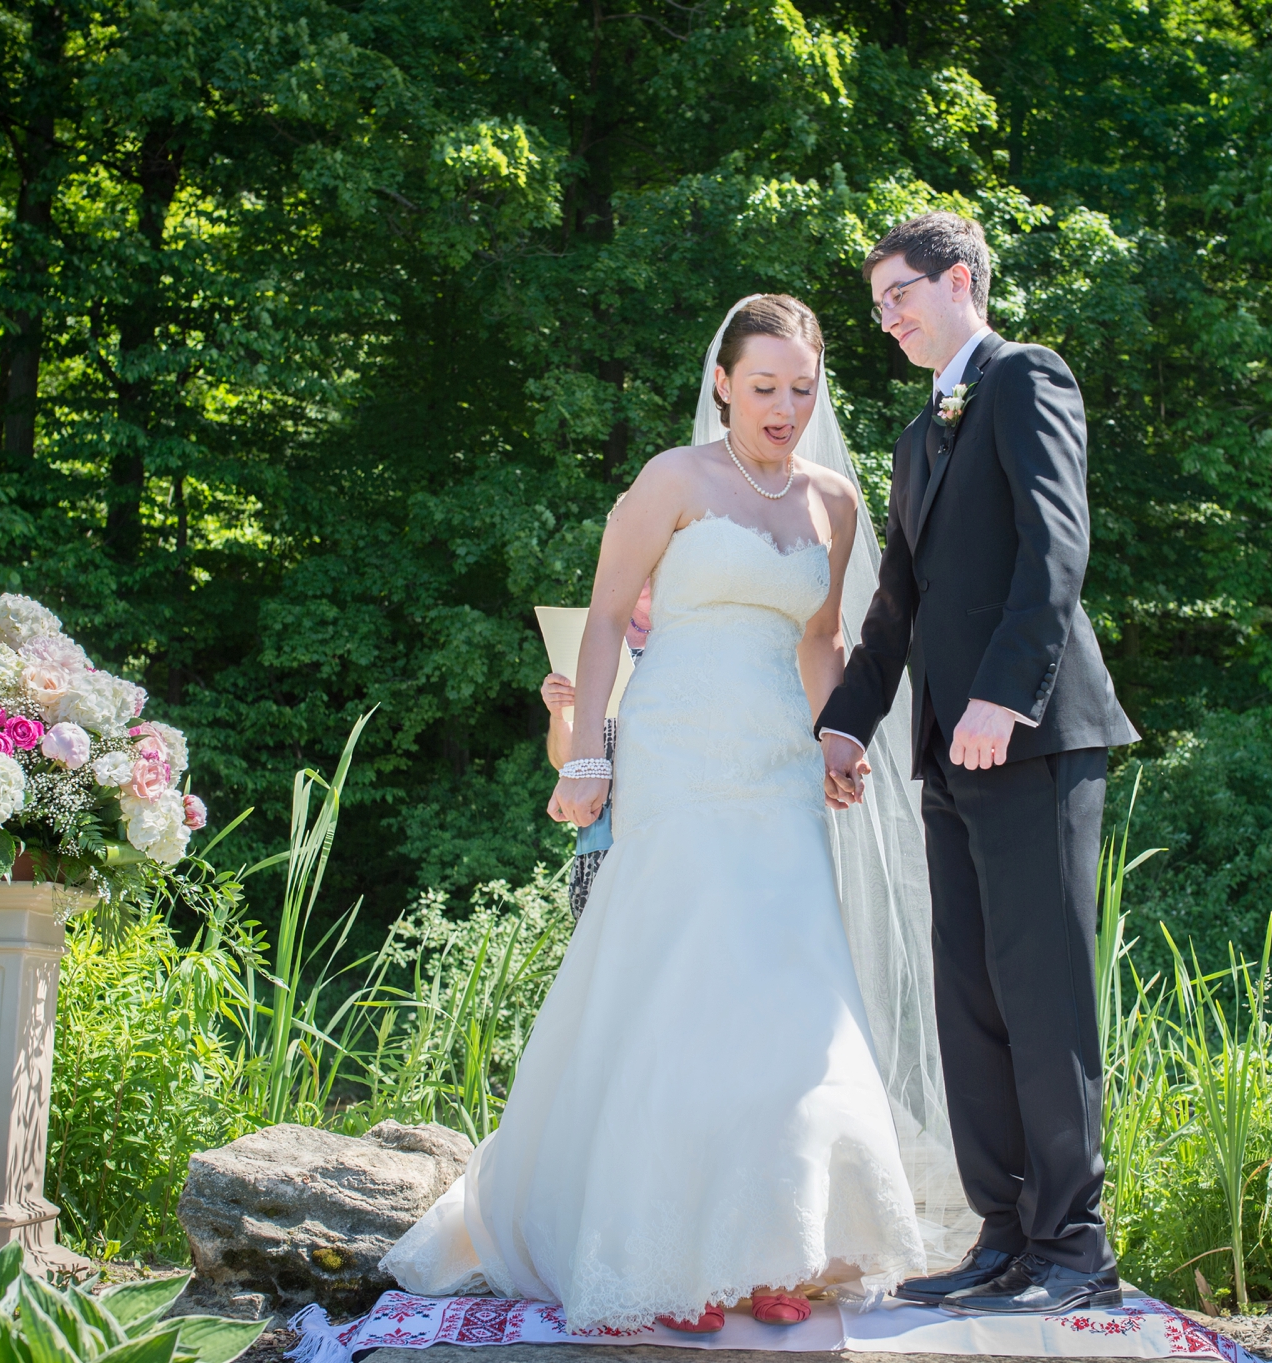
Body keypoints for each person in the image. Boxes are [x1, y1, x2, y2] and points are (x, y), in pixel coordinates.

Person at [383, 295, 927, 1333]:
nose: (783, 406)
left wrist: (837, 738)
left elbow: (819, 642)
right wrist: (587, 753)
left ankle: (772, 1244)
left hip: (777, 769)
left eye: (802, 388)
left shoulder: (832, 502)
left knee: (788, 1003)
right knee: (688, 989)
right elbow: (599, 618)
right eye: (763, 386)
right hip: (678, 760)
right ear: (722, 382)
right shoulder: (670, 481)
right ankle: (660, 1254)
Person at [817, 211, 1141, 1315]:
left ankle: (1073, 1247)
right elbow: (896, 602)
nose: (885, 318)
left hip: (1036, 737)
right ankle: (1003, 1233)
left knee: (1042, 994)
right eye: (874, 304)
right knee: (973, 1000)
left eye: (897, 294)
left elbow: (1056, 543)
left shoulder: (1023, 377)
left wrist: (1004, 693)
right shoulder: (918, 434)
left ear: (957, 280)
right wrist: (844, 722)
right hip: (944, 756)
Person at [540, 584, 651, 919]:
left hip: (663, 834)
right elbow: (564, 762)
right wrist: (558, 713)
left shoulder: (691, 638)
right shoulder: (594, 641)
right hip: (601, 840)